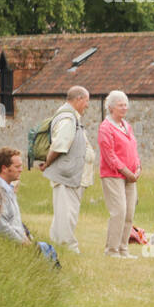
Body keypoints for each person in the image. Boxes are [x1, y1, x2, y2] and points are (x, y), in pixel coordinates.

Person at [38, 85, 95, 253]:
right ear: (78, 99)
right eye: (86, 101)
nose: (87, 105)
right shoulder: (67, 119)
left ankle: (57, 246)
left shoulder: (71, 117)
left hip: (71, 174)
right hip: (67, 175)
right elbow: (60, 144)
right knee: (66, 214)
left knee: (66, 213)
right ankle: (69, 248)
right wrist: (47, 163)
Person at [97, 90, 140, 258]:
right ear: (111, 107)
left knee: (129, 213)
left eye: (126, 105)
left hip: (130, 176)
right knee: (119, 211)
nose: (124, 108)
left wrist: (138, 167)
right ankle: (112, 250)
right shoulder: (105, 127)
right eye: (121, 105)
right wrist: (126, 171)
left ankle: (123, 249)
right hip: (113, 175)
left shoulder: (126, 126)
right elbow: (109, 155)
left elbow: (134, 149)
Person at [0, 147, 30, 243]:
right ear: (4, 168)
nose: (21, 170)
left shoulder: (8, 187)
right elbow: (0, 226)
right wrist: (23, 243)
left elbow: (13, 220)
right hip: (7, 245)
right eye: (17, 167)